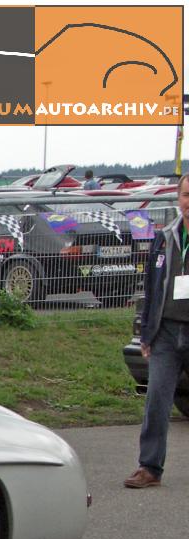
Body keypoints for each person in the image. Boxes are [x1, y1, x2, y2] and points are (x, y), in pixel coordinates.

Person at [125, 172, 189, 489]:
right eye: (186, 195)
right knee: (157, 400)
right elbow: (152, 287)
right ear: (178, 199)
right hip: (166, 333)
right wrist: (148, 333)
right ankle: (149, 467)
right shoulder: (165, 237)